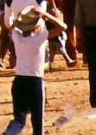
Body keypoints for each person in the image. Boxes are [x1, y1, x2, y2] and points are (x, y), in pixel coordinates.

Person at [4, 7, 66, 135]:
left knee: (19, 120)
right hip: (35, 83)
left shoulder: (18, 37)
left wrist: (21, 17)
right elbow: (62, 26)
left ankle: (9, 133)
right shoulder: (40, 39)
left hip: (19, 82)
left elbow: (11, 26)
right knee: (38, 123)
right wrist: (45, 14)